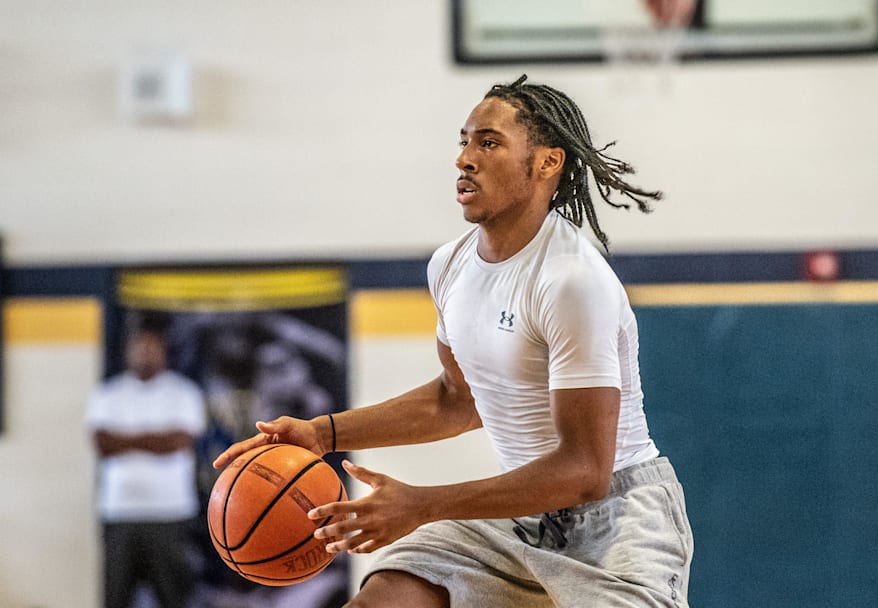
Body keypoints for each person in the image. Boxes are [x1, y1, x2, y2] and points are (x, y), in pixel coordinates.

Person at [214, 74, 694, 607]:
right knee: (384, 596)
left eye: (488, 142)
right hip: (521, 518)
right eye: (464, 141)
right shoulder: (450, 266)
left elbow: (584, 471)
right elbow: (457, 399)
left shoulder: (572, 281)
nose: (464, 158)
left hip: (616, 521)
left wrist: (422, 504)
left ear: (547, 163)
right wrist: (321, 434)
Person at [88, 312, 207, 608]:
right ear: (128, 351)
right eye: (139, 347)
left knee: (173, 597)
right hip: (119, 512)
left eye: (151, 347)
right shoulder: (108, 394)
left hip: (170, 512)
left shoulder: (183, 393)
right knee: (116, 597)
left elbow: (178, 442)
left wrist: (126, 439)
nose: (144, 353)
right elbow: (103, 444)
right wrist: (155, 439)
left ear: (163, 351)